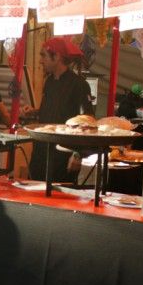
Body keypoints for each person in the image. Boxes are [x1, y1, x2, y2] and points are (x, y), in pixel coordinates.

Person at [23, 37, 94, 182]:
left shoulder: (79, 84)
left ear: (56, 57)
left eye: (43, 55)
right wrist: (35, 111)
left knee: (58, 192)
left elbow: (88, 120)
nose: (40, 61)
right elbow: (54, 111)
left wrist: (77, 154)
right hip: (41, 150)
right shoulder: (49, 82)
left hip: (63, 154)